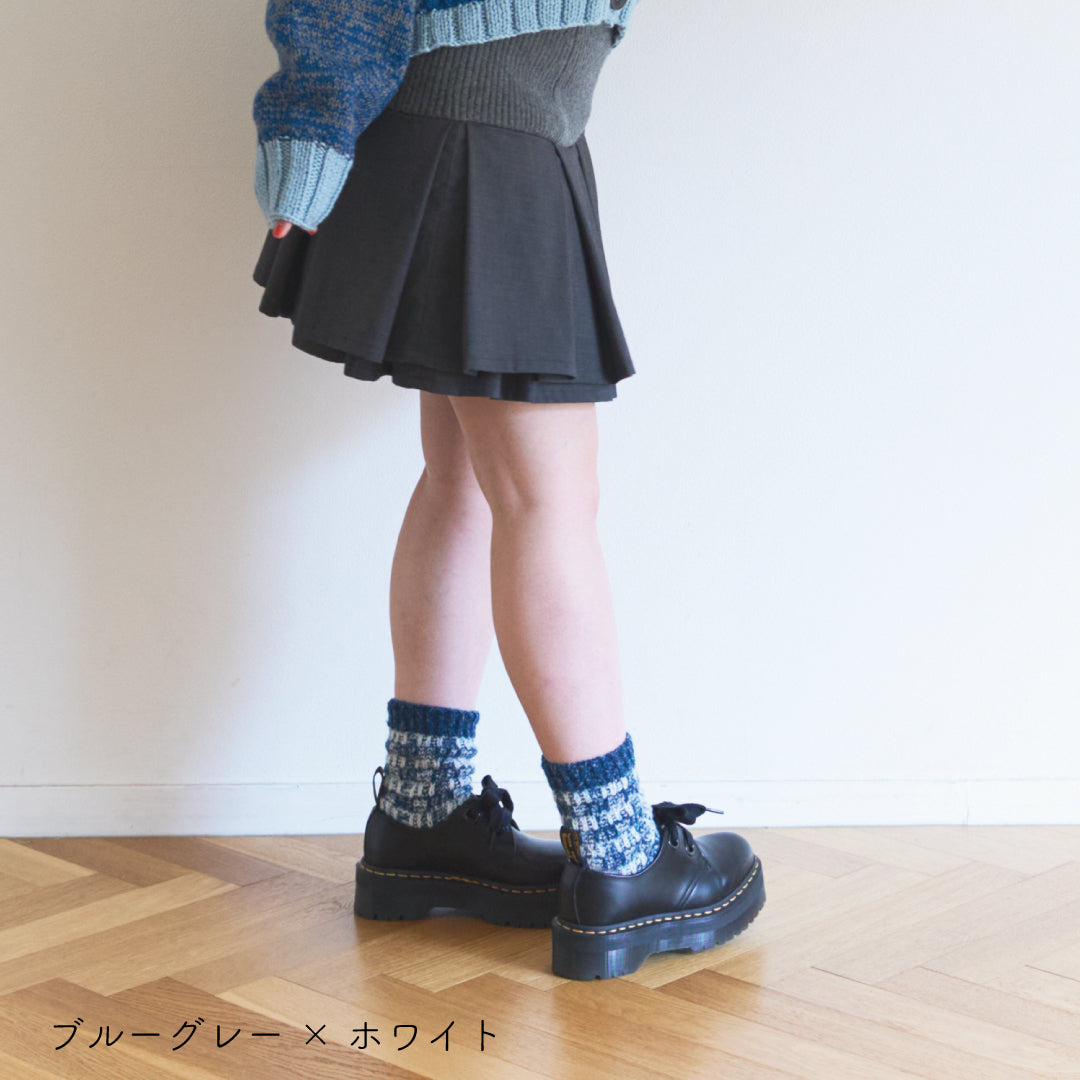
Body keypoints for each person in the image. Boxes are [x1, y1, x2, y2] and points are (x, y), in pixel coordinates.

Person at [250, 0, 765, 980]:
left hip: (497, 129)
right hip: (480, 136)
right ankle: (619, 855)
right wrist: (309, 125)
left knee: (470, 483)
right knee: (547, 502)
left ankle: (424, 812)